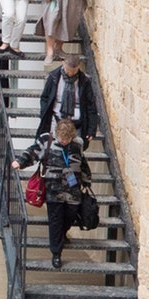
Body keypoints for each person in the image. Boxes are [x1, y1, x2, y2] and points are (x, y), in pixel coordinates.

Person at [14, 118, 91, 267]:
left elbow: (83, 162)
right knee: (55, 220)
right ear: (57, 135)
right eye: (62, 138)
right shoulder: (46, 141)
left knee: (71, 214)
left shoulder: (78, 144)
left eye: (67, 139)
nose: (64, 141)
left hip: (72, 188)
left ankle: (61, 234)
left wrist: (87, 180)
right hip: (53, 189)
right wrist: (21, 162)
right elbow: (32, 153)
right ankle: (56, 253)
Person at [37, 50, 101, 147]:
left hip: (77, 121)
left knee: (75, 149)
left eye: (73, 72)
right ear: (63, 64)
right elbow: (45, 97)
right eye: (68, 71)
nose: (70, 74)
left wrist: (91, 129)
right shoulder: (54, 77)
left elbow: (91, 106)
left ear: (78, 68)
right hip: (57, 118)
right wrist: (44, 114)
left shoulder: (84, 81)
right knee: (53, 147)